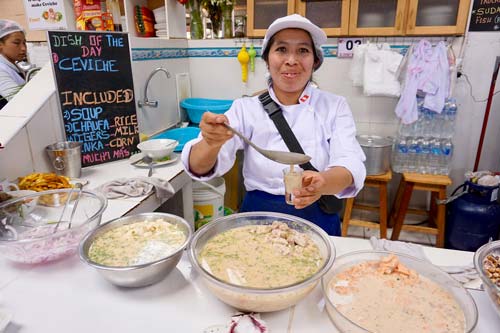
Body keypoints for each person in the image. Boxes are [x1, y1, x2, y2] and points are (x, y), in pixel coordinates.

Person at [181, 14, 366, 235]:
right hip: (257, 218)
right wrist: (211, 142)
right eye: (281, 49)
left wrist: (322, 183)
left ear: (315, 61)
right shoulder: (245, 108)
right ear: (267, 59)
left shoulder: (334, 106)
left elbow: (350, 163)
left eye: (303, 51)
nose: (291, 60)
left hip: (317, 216)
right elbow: (199, 167)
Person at [0, 19, 27, 109]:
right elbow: (19, 101)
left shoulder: (14, 65)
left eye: (24, 42)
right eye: (16, 43)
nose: (23, 48)